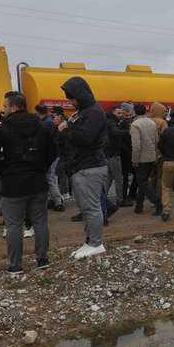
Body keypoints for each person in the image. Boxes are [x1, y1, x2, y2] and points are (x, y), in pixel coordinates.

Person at [0, 92, 56, 275]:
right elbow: (53, 151)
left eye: (5, 106)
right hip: (37, 181)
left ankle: (16, 265)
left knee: (14, 225)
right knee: (40, 221)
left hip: (13, 183)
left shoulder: (3, 128)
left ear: (14, 107)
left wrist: (0, 170)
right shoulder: (41, 125)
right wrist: (41, 166)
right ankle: (42, 259)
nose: (3, 109)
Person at [59, 76, 109, 260]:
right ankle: (90, 241)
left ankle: (96, 243)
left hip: (90, 166)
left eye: (72, 97)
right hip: (82, 165)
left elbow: (85, 137)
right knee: (87, 208)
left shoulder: (93, 112)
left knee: (91, 208)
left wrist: (66, 129)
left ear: (81, 94)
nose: (70, 101)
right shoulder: (85, 111)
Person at [105, 106, 130, 206]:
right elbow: (114, 132)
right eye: (118, 113)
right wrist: (129, 131)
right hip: (114, 154)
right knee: (118, 178)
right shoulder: (111, 122)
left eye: (121, 113)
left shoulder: (109, 121)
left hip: (109, 153)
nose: (120, 115)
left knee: (109, 178)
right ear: (113, 113)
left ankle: (102, 197)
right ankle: (120, 200)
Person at [119, 102, 135, 202]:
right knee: (127, 175)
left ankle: (126, 195)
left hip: (124, 152)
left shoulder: (122, 121)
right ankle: (128, 195)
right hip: (127, 152)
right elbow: (126, 139)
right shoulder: (126, 122)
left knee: (124, 176)